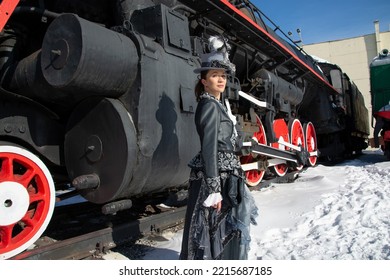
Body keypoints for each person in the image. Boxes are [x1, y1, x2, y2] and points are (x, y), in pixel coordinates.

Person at [179, 37, 258, 260]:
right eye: (214, 75)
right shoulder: (208, 106)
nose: (221, 80)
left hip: (226, 175)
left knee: (220, 229)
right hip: (216, 178)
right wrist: (214, 188)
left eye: (223, 76)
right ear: (204, 81)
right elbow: (209, 147)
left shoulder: (218, 105)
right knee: (211, 228)